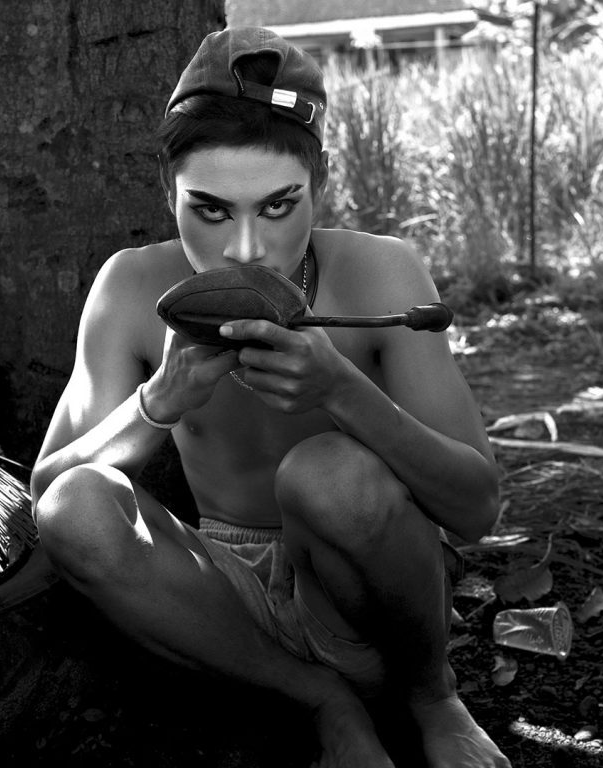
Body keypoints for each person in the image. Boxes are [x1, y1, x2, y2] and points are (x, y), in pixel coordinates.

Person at [31, 26, 511, 768]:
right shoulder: (129, 286)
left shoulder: (382, 273)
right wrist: (158, 401)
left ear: (321, 181)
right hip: (217, 610)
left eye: (279, 206)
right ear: (167, 191)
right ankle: (318, 700)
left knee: (328, 472)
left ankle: (431, 697)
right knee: (78, 505)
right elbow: (50, 497)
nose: (247, 248)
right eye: (211, 210)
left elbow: (477, 510)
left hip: (372, 597)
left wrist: (342, 390)